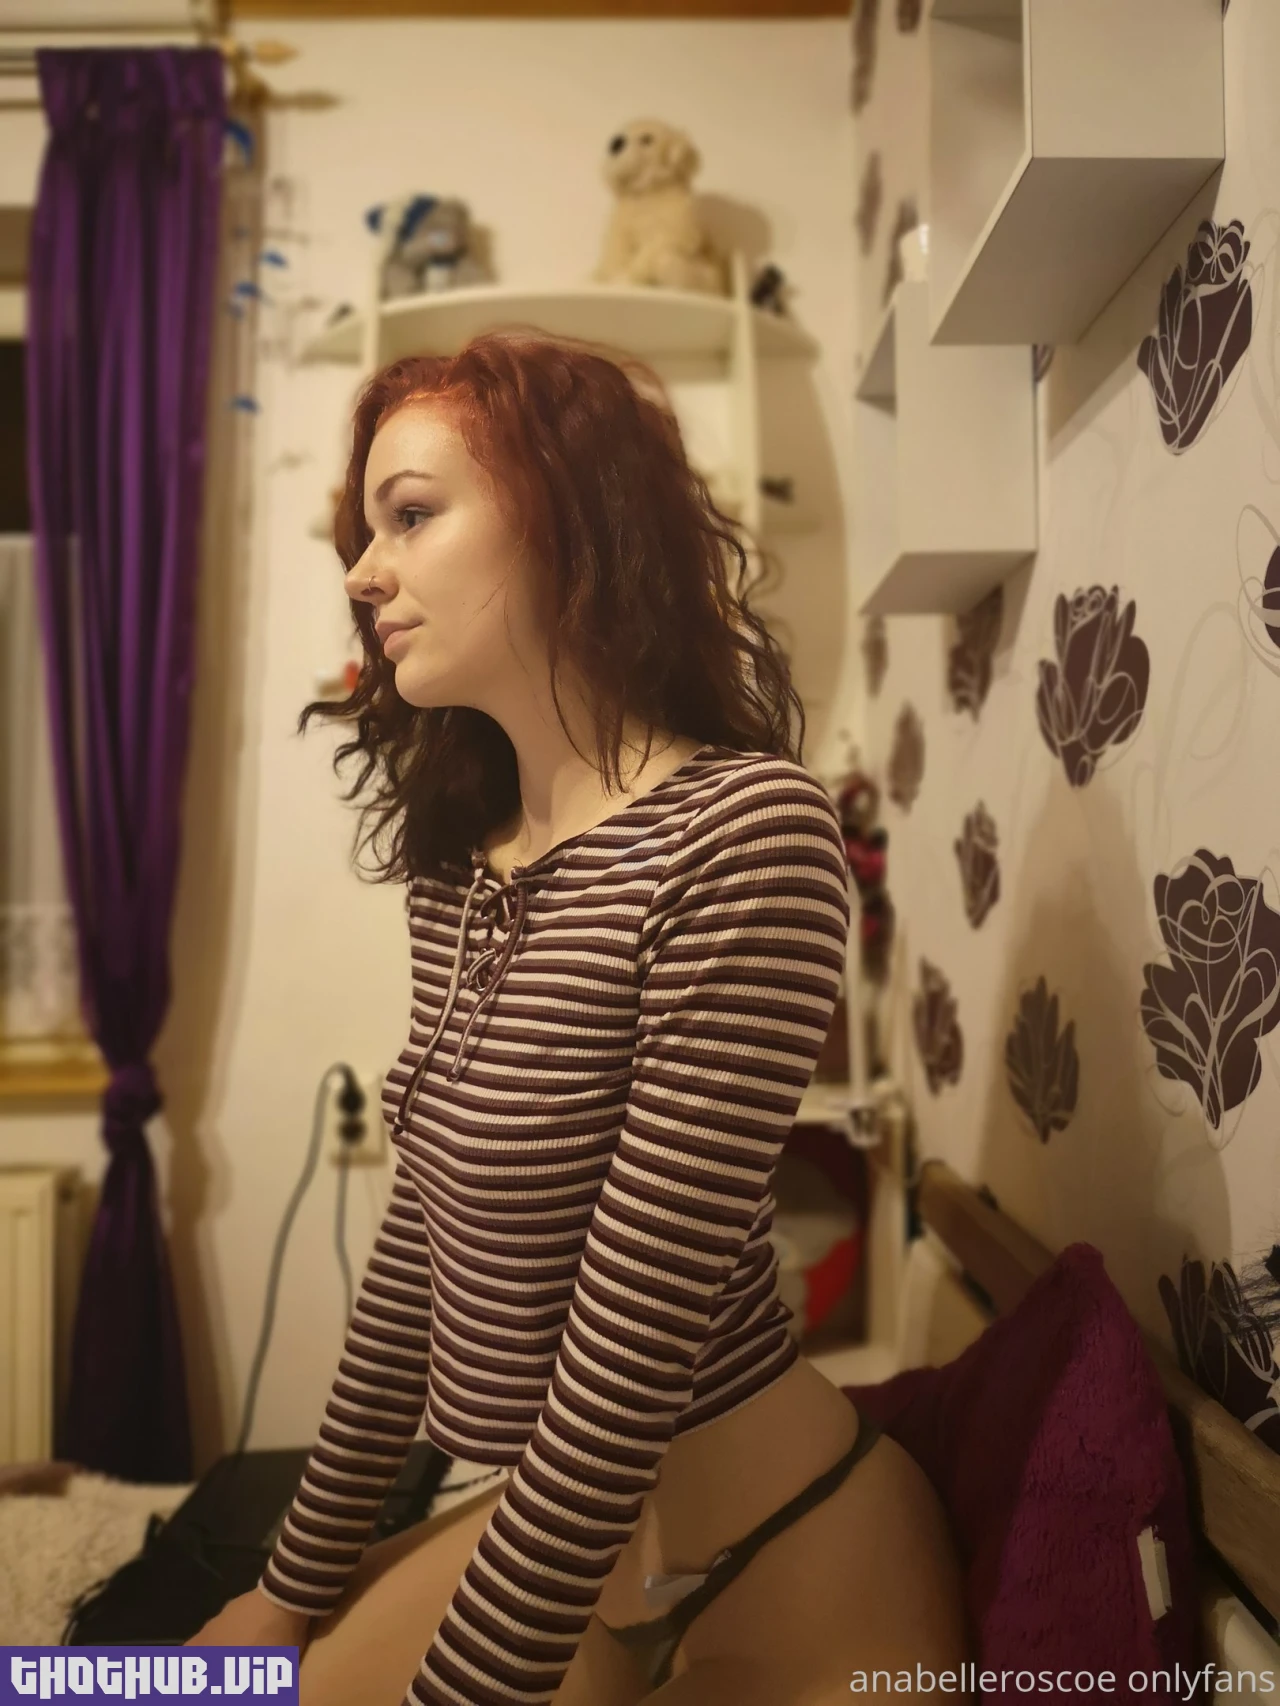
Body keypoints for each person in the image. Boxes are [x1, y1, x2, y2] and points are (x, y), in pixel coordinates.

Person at [186, 332, 969, 1705]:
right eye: (365, 532)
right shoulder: (462, 869)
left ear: (568, 515)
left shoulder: (746, 836)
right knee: (161, 1687)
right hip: (579, 1558)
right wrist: (286, 1587)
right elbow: (415, 1255)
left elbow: (627, 1349)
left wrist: (467, 1687)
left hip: (788, 1545)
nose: (361, 572)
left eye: (410, 515)